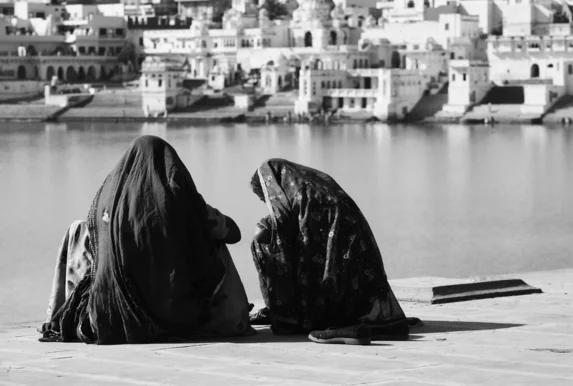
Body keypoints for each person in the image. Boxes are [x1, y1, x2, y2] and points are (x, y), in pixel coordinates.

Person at [39, 135, 254, 344]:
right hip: (175, 317)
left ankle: (61, 311)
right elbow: (233, 234)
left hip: (107, 315)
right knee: (210, 239)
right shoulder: (178, 198)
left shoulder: (105, 201)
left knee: (79, 229)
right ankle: (231, 318)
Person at [249, 158, 419, 345]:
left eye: (264, 199)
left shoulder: (298, 196)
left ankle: (289, 315)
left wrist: (264, 224)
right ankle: (375, 316)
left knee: (262, 245)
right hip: (355, 254)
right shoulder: (317, 186)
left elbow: (263, 234)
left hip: (336, 255)